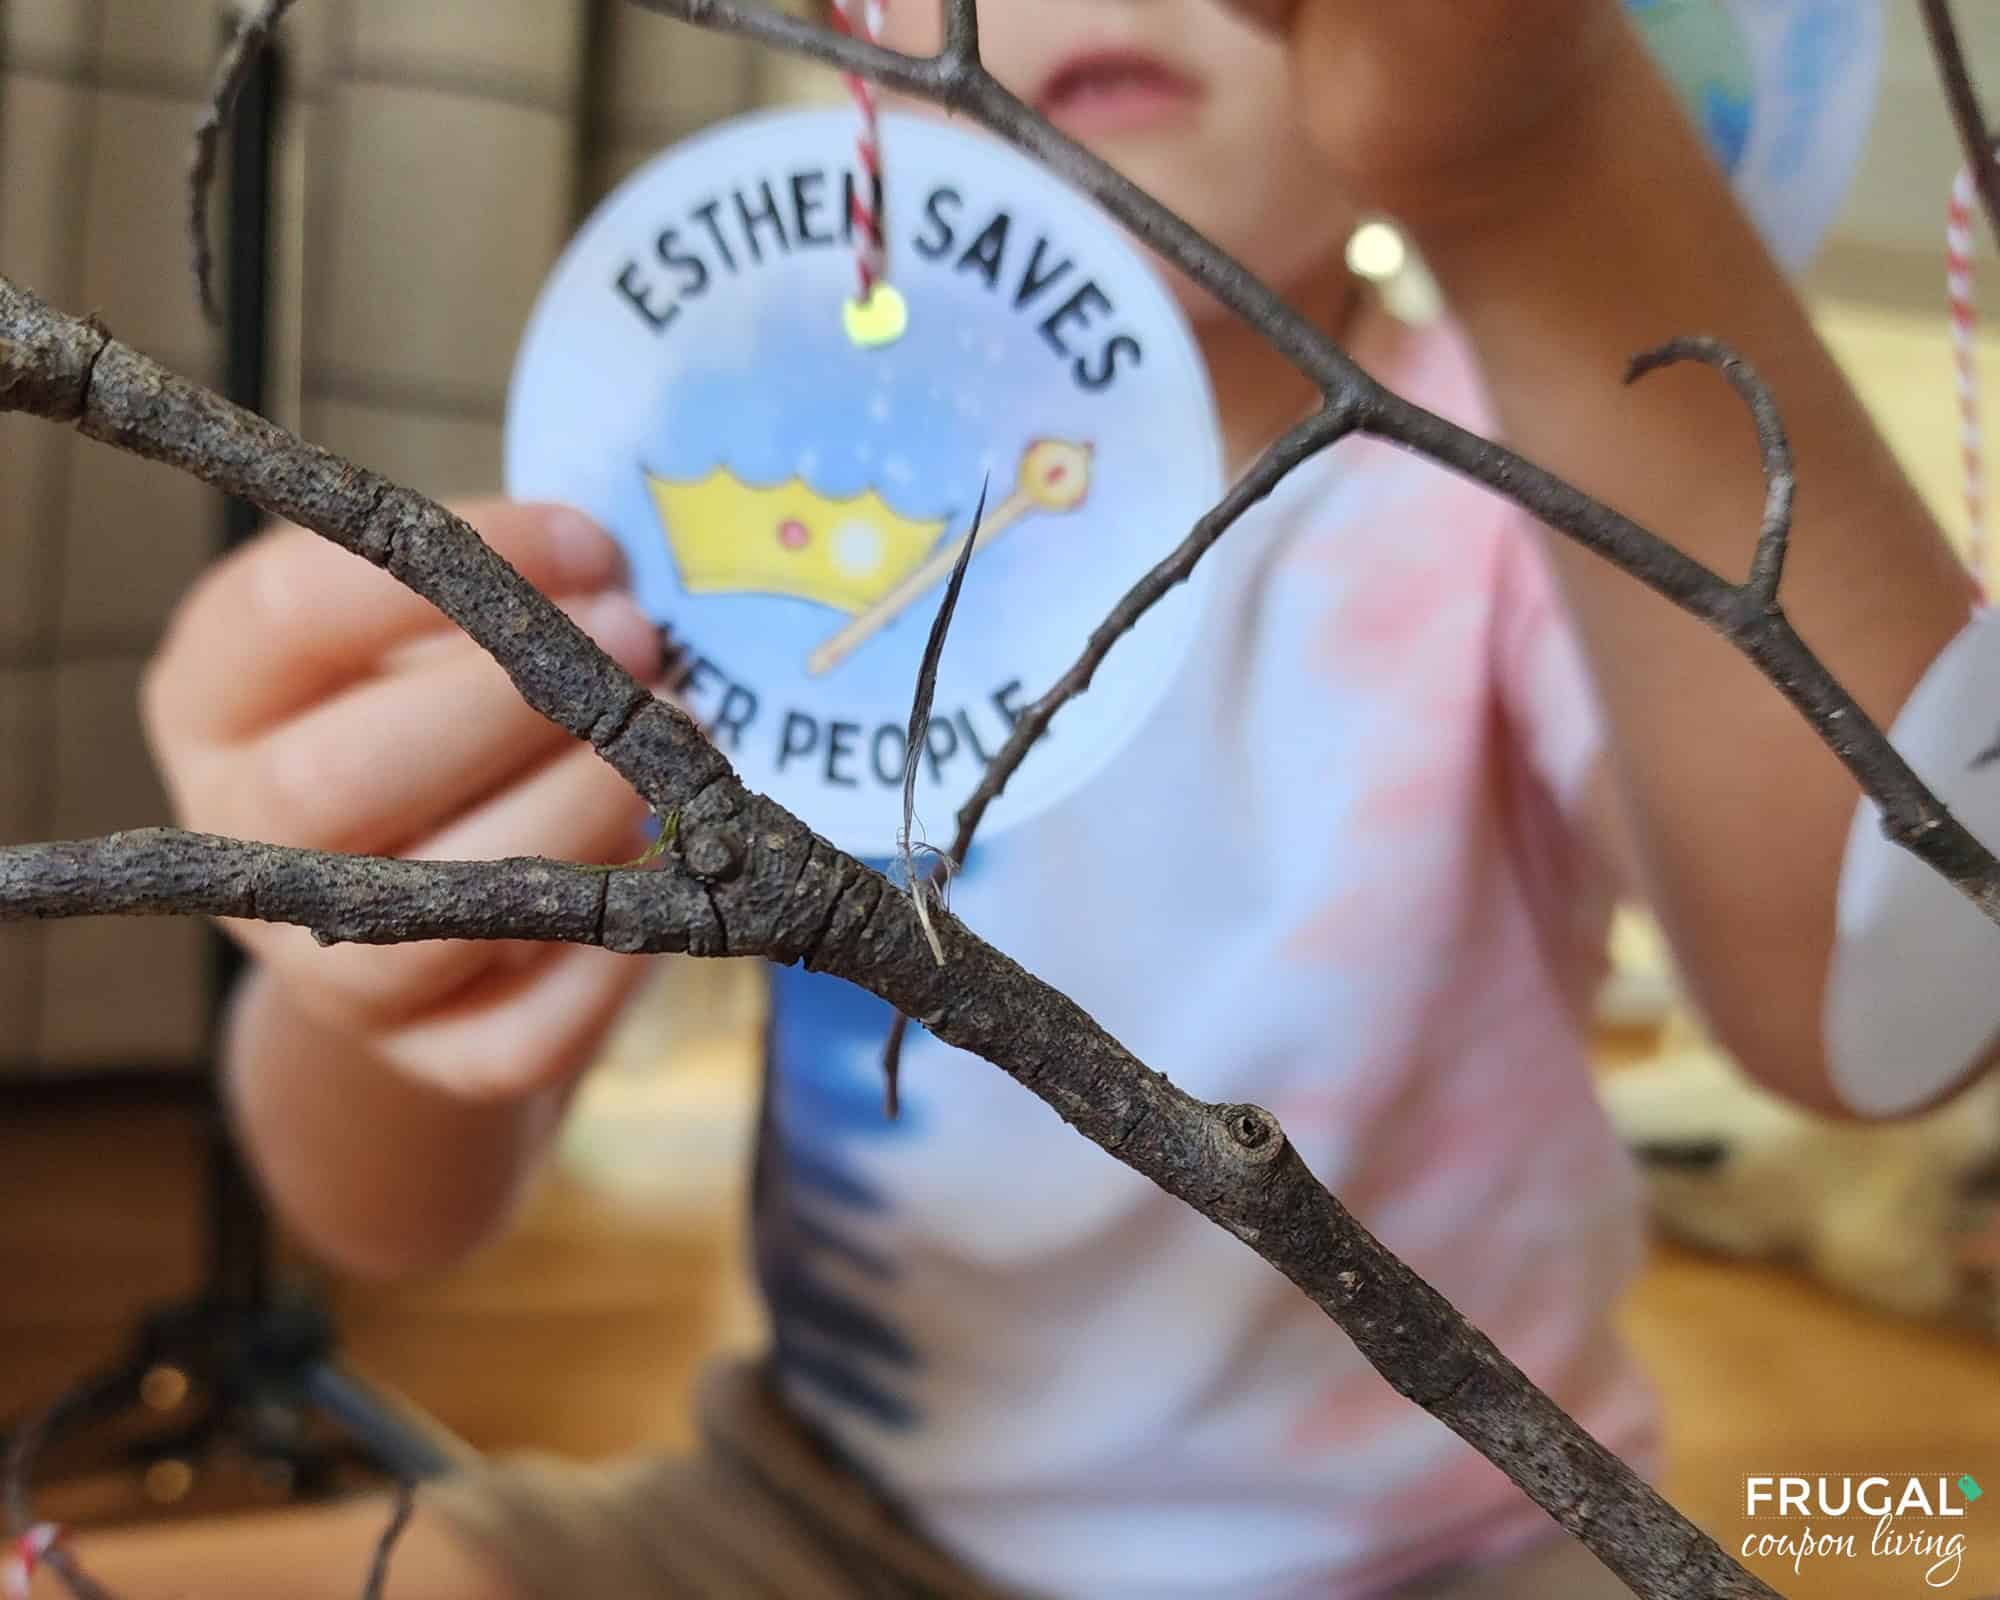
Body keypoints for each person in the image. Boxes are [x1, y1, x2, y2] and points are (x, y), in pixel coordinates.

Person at [89, 0, 1977, 1596]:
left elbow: (1898, 990)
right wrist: (377, 955)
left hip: (1455, 1544)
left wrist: (1545, 166)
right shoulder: (760, 505)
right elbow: (389, 1216)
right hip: (822, 1519)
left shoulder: (1516, 487)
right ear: (845, 37)